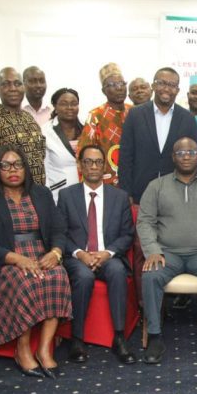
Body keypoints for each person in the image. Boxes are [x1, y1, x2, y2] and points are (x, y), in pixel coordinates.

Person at [0, 145, 71, 378]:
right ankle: (22, 348)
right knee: (25, 280)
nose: (12, 170)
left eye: (18, 164)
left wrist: (55, 253)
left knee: (58, 275)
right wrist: (18, 259)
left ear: (26, 168)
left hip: (41, 255)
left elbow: (59, 229)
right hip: (5, 261)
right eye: (5, 165)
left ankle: (45, 349)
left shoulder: (41, 194)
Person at [137, 137, 197, 364]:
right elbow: (145, 221)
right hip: (167, 253)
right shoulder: (156, 186)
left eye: (191, 152)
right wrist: (152, 250)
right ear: (173, 157)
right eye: (181, 153)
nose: (187, 156)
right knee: (150, 275)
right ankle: (154, 337)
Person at [57, 145, 137, 364]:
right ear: (80, 165)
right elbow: (60, 234)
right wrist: (80, 254)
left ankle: (119, 337)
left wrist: (107, 253)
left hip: (108, 256)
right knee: (83, 277)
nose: (93, 166)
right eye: (89, 161)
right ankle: (77, 339)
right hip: (78, 258)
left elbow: (127, 234)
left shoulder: (119, 197)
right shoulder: (66, 196)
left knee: (118, 271)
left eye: (98, 162)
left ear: (104, 166)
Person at [118, 67, 197, 202]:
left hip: (176, 196)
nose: (166, 89)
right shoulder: (135, 115)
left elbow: (192, 160)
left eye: (172, 85)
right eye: (162, 83)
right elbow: (125, 157)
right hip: (140, 193)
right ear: (153, 86)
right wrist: (126, 192)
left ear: (178, 90)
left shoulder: (188, 119)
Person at [0, 67, 46, 186]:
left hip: (37, 195)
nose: (13, 89)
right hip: (7, 199)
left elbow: (40, 155)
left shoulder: (29, 119)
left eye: (17, 84)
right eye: (6, 84)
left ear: (24, 87)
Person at [77, 63, 132, 185]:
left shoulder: (134, 112)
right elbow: (84, 153)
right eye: (112, 85)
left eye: (122, 83)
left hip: (134, 181)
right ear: (104, 90)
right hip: (107, 184)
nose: (119, 88)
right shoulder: (96, 116)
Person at [42, 87, 83, 202]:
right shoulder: (45, 131)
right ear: (55, 106)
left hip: (85, 192)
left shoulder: (87, 128)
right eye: (64, 104)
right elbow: (43, 169)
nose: (70, 108)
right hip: (58, 194)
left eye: (74, 103)